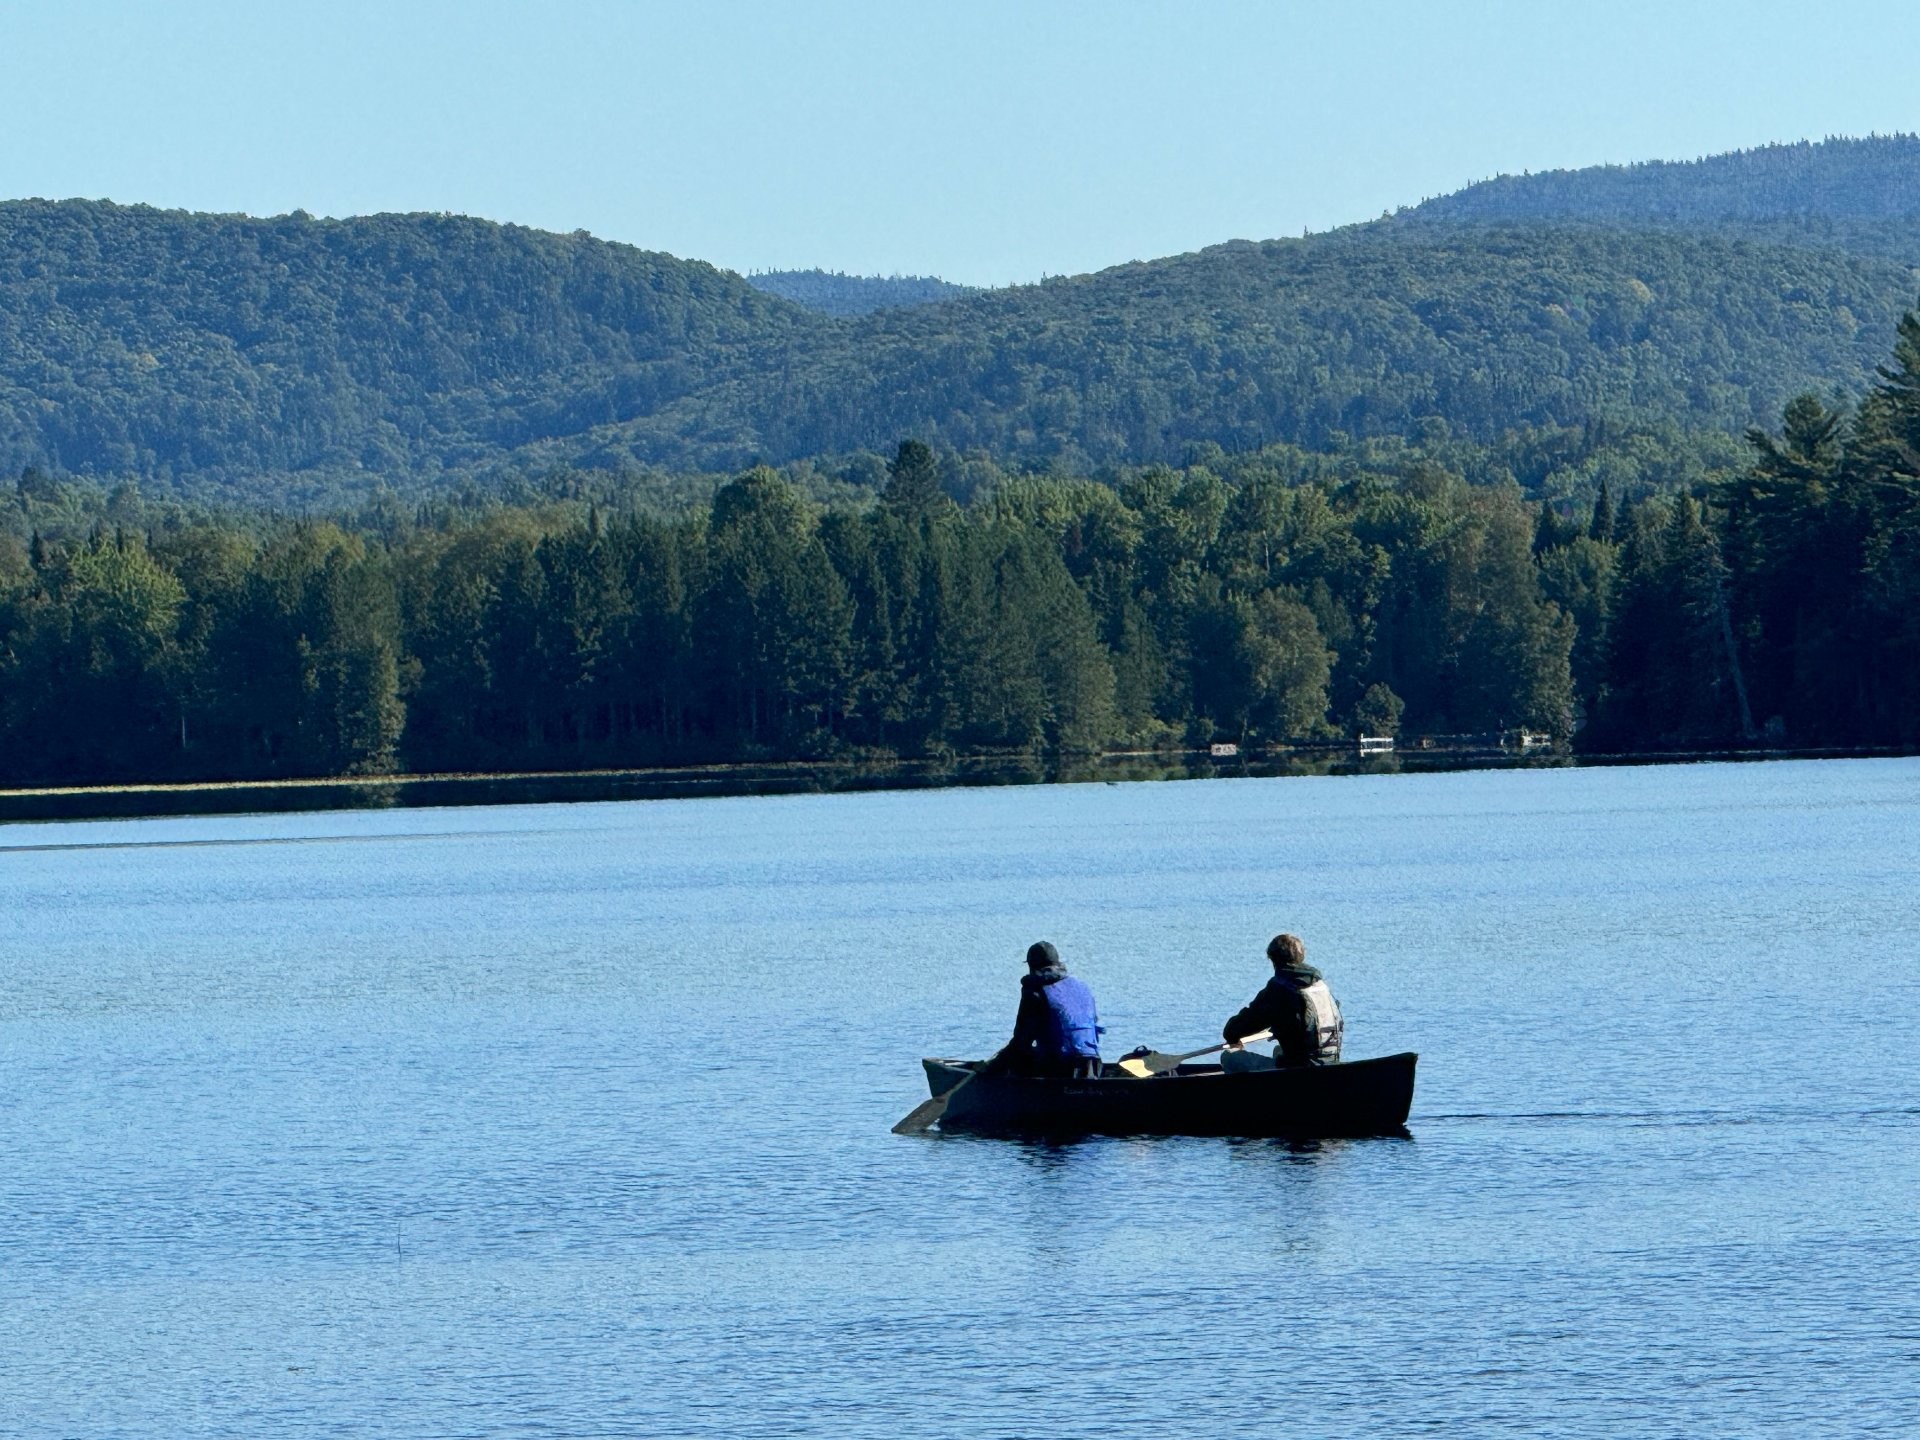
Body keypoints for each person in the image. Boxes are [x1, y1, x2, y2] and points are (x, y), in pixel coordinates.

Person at [1220, 933, 1343, 1070]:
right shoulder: (1321, 986)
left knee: (1229, 1057)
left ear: (1273, 960)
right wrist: (1280, 1026)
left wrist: (1234, 1040)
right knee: (1278, 1051)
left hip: (1300, 1069)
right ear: (1301, 957)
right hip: (1330, 1064)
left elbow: (1234, 1030)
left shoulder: (1280, 989)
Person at [988, 941, 1103, 1079]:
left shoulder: (1035, 992)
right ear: (1057, 963)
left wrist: (992, 1066)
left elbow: (1021, 1041)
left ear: (1031, 966)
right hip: (1093, 1066)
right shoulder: (1081, 987)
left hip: (1062, 1068)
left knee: (1017, 1058)